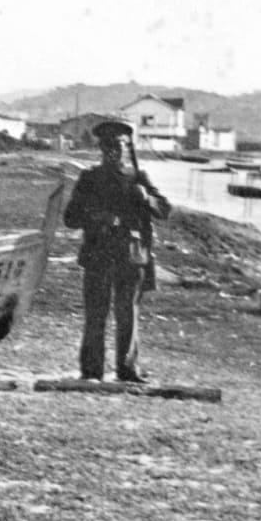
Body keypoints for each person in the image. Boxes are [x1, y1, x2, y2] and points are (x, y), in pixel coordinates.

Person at [62, 118, 173, 383]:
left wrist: (146, 198)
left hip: (131, 255)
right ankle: (91, 371)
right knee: (95, 315)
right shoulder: (89, 178)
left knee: (128, 314)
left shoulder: (138, 177)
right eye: (108, 146)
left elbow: (165, 209)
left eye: (119, 145)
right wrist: (98, 218)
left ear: (126, 148)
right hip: (98, 253)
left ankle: (128, 370)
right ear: (100, 149)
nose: (114, 151)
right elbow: (71, 218)